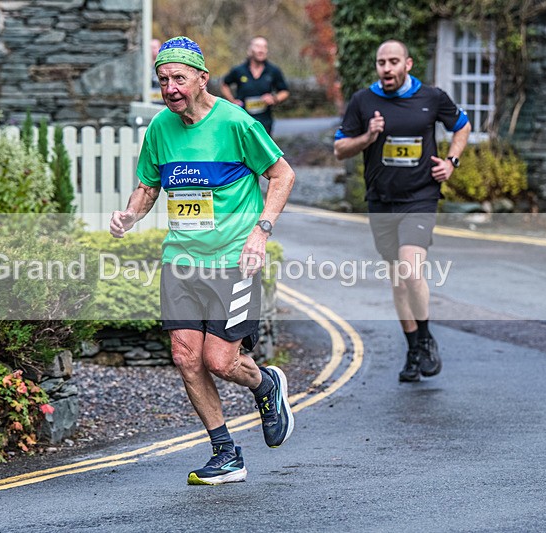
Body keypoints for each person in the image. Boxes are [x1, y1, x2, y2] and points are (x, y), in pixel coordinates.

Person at [110, 36, 296, 485]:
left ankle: (265, 384)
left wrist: (261, 232)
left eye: (178, 78)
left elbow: (282, 174)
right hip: (181, 260)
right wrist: (130, 215)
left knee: (220, 361)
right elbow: (149, 185)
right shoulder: (160, 129)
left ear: (201, 79)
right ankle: (225, 452)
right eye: (163, 80)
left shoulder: (234, 123)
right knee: (185, 356)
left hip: (234, 260)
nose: (170, 88)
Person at [333, 39, 471, 383]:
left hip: (420, 197)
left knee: (411, 271)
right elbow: (339, 149)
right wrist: (368, 137)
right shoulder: (363, 101)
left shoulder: (432, 98)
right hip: (381, 201)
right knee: (398, 281)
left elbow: (462, 126)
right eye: (381, 62)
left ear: (408, 64)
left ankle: (425, 338)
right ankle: (413, 349)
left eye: (394, 61)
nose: (387, 68)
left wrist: (451, 162)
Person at [221, 36, 290, 135]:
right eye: (258, 46)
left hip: (264, 122)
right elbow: (224, 85)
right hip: (242, 121)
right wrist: (232, 101)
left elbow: (285, 91)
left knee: (261, 150)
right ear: (250, 50)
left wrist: (274, 99)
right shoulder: (239, 70)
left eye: (264, 47)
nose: (261, 50)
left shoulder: (273, 71)